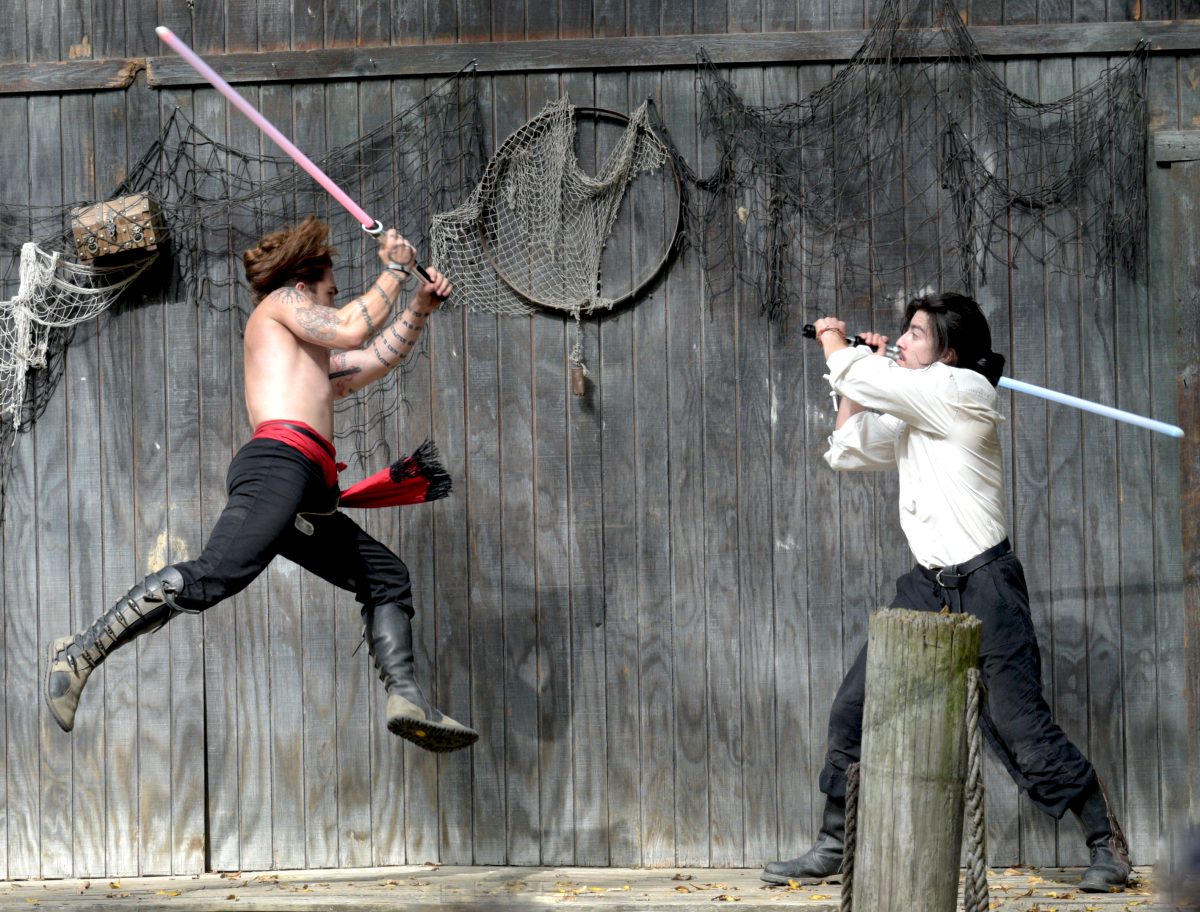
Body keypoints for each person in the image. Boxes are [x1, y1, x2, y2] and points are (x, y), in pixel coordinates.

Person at [44, 216, 478, 754]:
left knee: (387, 575)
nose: (331, 302)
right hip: (279, 465)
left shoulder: (309, 358)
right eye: (328, 293)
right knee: (215, 575)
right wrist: (392, 269)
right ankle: (77, 655)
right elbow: (350, 327)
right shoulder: (278, 307)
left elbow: (372, 357)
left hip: (308, 492)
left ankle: (406, 699)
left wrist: (418, 306)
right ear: (302, 290)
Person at [761, 292, 1131, 893]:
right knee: (852, 709)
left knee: (1019, 726)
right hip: (926, 585)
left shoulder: (964, 394)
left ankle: (1104, 842)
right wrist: (858, 372)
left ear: (950, 354)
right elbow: (848, 451)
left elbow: (869, 378)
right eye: (902, 333)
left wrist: (839, 345)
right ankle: (835, 842)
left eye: (914, 334)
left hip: (986, 582)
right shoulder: (917, 407)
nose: (901, 340)